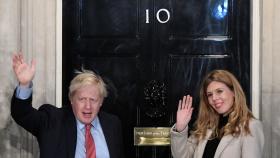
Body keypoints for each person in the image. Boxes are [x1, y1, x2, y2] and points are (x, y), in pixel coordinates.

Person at [11, 53, 124, 158]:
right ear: (72, 100)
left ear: (101, 102)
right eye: (82, 99)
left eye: (93, 100)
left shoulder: (112, 124)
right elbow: (22, 114)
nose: (88, 106)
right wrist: (24, 85)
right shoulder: (52, 120)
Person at [170, 69, 264, 158]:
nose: (214, 98)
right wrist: (180, 128)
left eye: (219, 91)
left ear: (234, 92)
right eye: (210, 95)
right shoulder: (206, 126)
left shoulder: (250, 126)